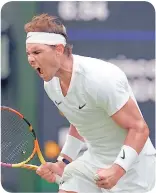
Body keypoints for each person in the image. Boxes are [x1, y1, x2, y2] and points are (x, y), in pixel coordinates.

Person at [24, 13, 156, 193]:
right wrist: (63, 163)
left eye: (37, 52)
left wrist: (117, 169)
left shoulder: (100, 78)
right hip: (92, 162)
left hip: (134, 170)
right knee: (70, 181)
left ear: (59, 49)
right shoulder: (51, 84)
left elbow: (140, 128)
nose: (31, 59)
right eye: (29, 53)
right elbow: (80, 121)